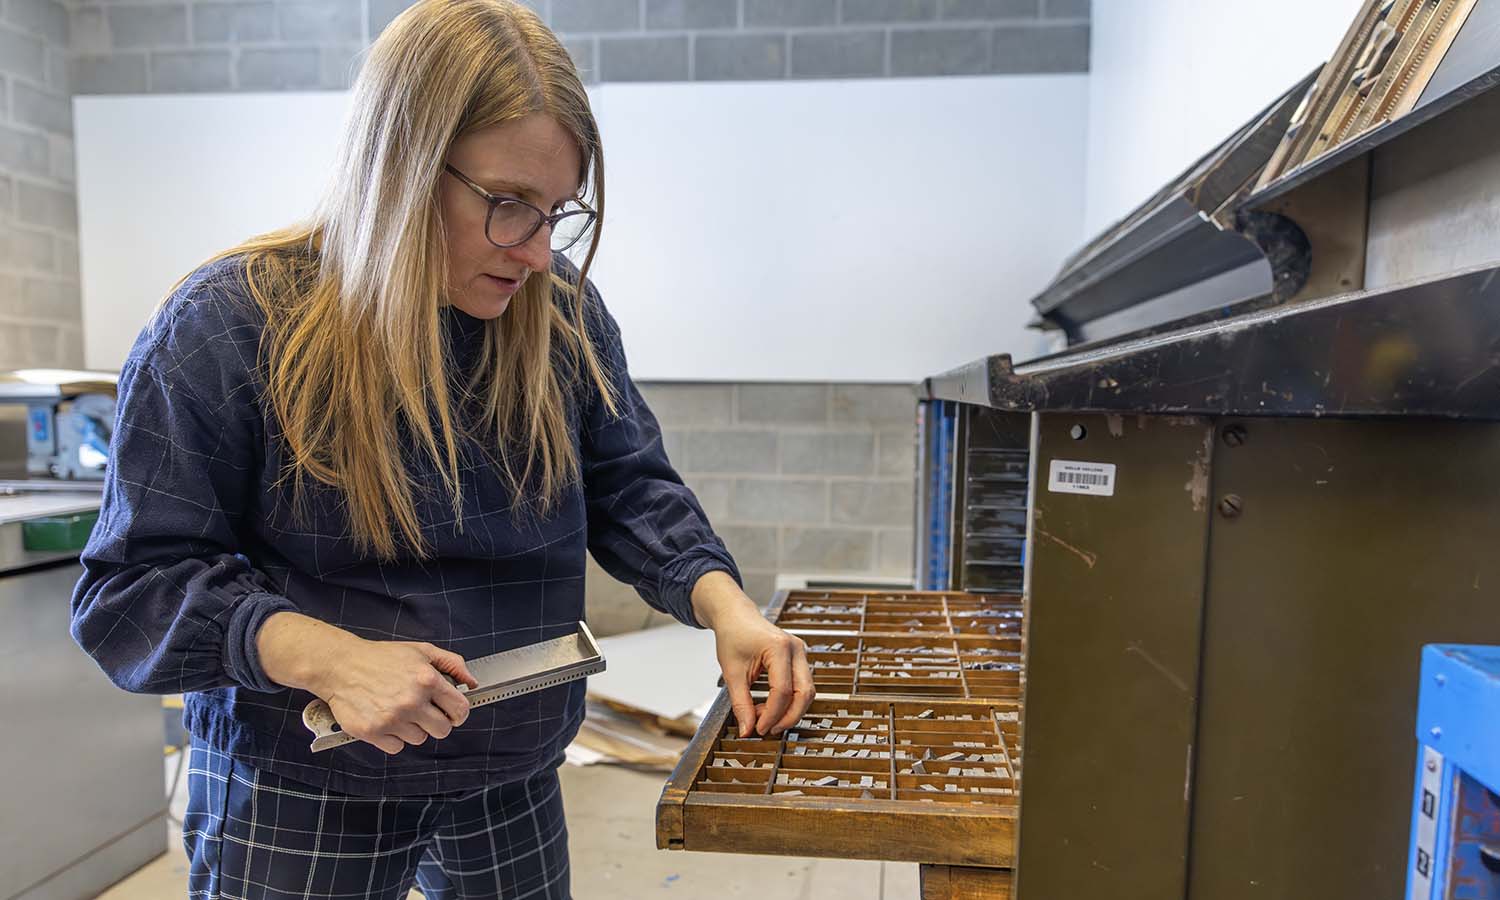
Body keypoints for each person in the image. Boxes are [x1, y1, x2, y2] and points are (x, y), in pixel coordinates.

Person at [69, 1, 814, 896]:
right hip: (306, 782)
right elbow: (134, 586)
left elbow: (629, 486)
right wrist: (327, 658)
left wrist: (726, 606)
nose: (536, 253)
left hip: (507, 767)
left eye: (555, 213)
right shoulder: (231, 326)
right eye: (508, 205)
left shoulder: (559, 315)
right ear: (403, 168)